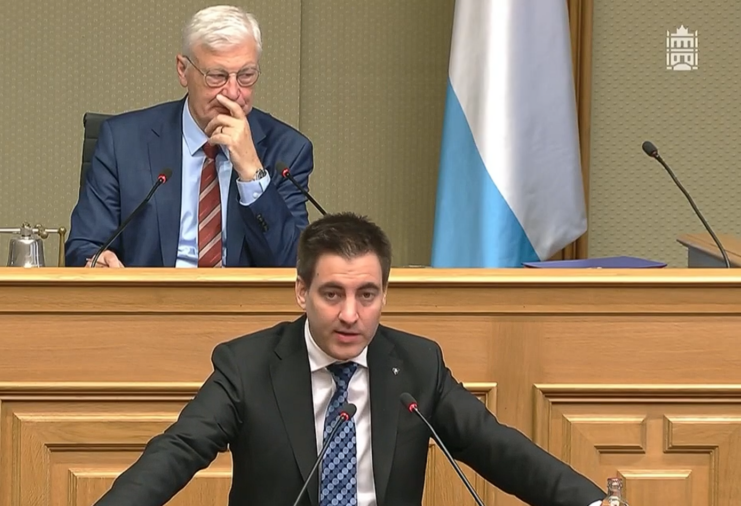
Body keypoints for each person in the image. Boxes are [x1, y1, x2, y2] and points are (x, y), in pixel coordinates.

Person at [92, 212, 606, 506]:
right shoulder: (247, 365)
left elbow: (497, 448)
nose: (350, 315)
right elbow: (179, 450)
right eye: (332, 294)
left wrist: (593, 503)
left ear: (384, 295)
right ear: (302, 292)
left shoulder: (417, 365)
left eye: (367, 295)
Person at [65, 5, 313, 268]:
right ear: (183, 70)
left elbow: (296, 267)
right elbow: (84, 246)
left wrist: (253, 174)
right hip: (149, 294)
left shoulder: (287, 151)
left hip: (241, 296)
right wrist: (97, 261)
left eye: (246, 76)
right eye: (216, 76)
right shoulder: (123, 142)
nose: (232, 92)